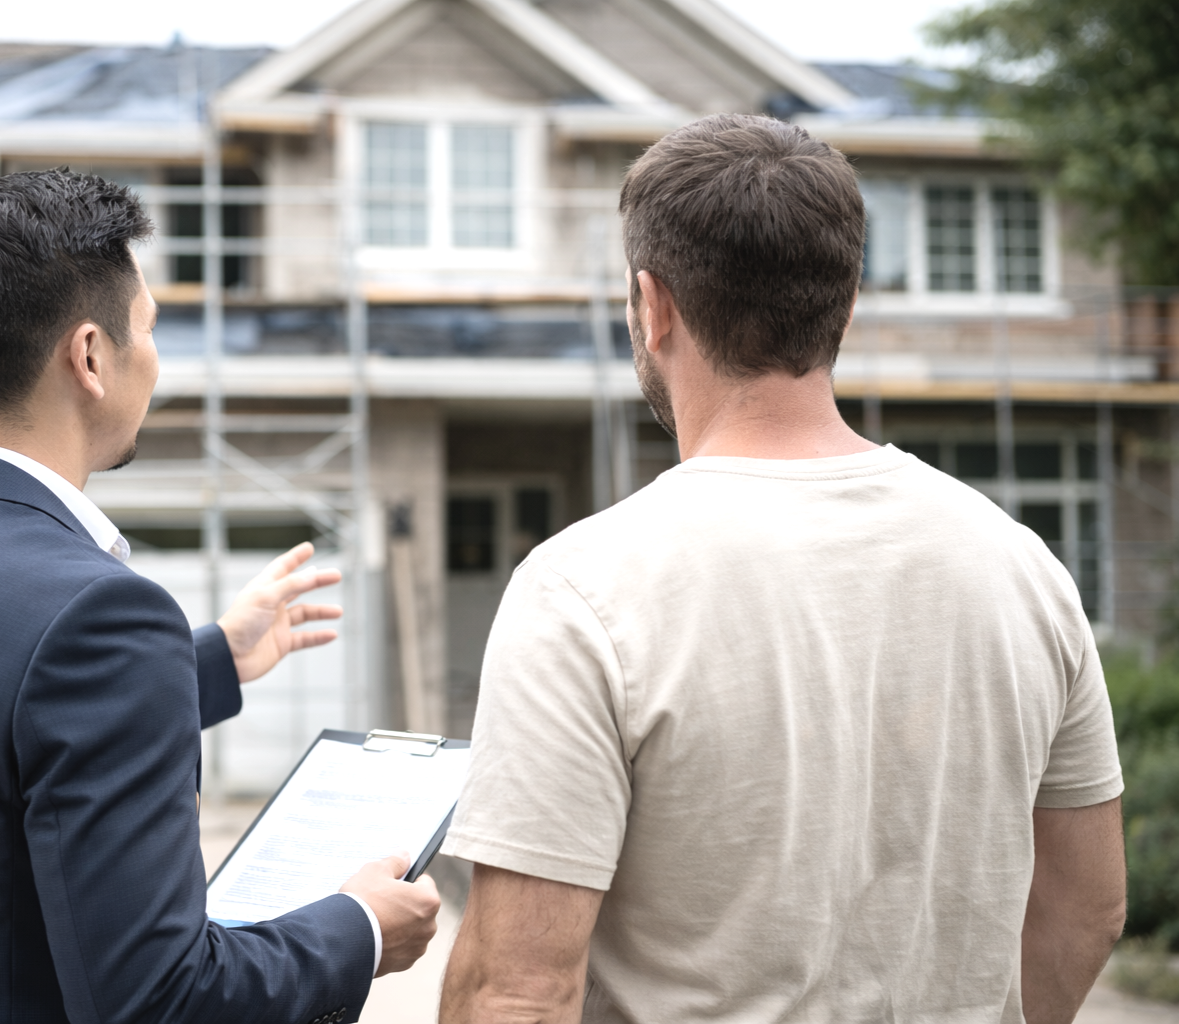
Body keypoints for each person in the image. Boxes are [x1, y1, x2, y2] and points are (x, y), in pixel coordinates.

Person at [437, 114, 1126, 1024]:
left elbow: (518, 990)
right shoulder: (1022, 568)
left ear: (653, 307)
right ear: (844, 306)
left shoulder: (581, 590)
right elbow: (1087, 908)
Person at [0, 169, 439, 1024]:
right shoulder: (100, 615)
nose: (156, 362)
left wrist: (206, 660)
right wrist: (359, 929)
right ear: (89, 356)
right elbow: (163, 999)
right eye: (150, 331)